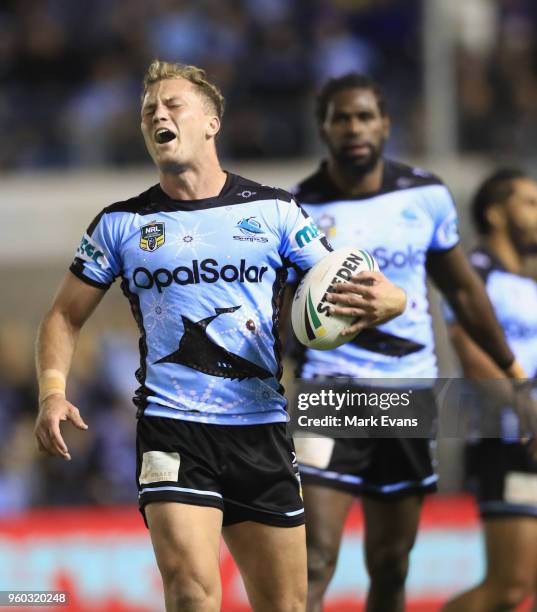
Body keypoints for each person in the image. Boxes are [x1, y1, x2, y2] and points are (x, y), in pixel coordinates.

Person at [33, 61, 406, 612]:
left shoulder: (275, 211)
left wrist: (392, 301)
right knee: (189, 592)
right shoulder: (120, 224)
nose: (157, 114)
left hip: (261, 430)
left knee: (286, 604)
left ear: (211, 122)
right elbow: (63, 316)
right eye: (147, 111)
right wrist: (52, 391)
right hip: (173, 427)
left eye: (173, 105)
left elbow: (340, 287)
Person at [289, 73, 526, 612]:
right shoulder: (296, 209)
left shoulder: (424, 195)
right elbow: (286, 313)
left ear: (385, 123)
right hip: (330, 391)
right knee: (315, 556)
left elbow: (464, 292)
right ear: (323, 129)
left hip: (408, 391)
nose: (354, 128)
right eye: (341, 118)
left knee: (392, 563)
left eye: (365, 116)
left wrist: (513, 372)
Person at [443, 169, 537, 611]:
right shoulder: (476, 274)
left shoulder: (526, 280)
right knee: (508, 587)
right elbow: (467, 345)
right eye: (531, 204)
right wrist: (525, 411)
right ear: (497, 214)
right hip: (508, 438)